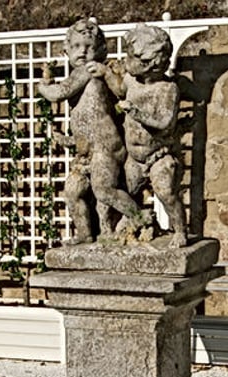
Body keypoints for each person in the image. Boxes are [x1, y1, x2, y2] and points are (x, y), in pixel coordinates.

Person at [37, 18, 146, 243]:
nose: (82, 51)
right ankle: (85, 233)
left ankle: (141, 218)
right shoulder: (84, 73)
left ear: (100, 50)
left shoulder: (87, 71)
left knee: (104, 190)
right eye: (76, 46)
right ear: (66, 50)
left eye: (88, 46)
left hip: (104, 147)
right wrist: (69, 140)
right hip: (87, 150)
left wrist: (43, 86)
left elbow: (58, 93)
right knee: (73, 191)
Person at [105, 24, 187, 248]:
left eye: (130, 57)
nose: (126, 60)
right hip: (134, 157)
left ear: (148, 62)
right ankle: (136, 222)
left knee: (166, 193)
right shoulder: (131, 81)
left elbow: (165, 122)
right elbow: (119, 90)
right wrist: (107, 74)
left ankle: (180, 230)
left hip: (158, 154)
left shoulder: (166, 89)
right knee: (124, 192)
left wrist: (137, 113)